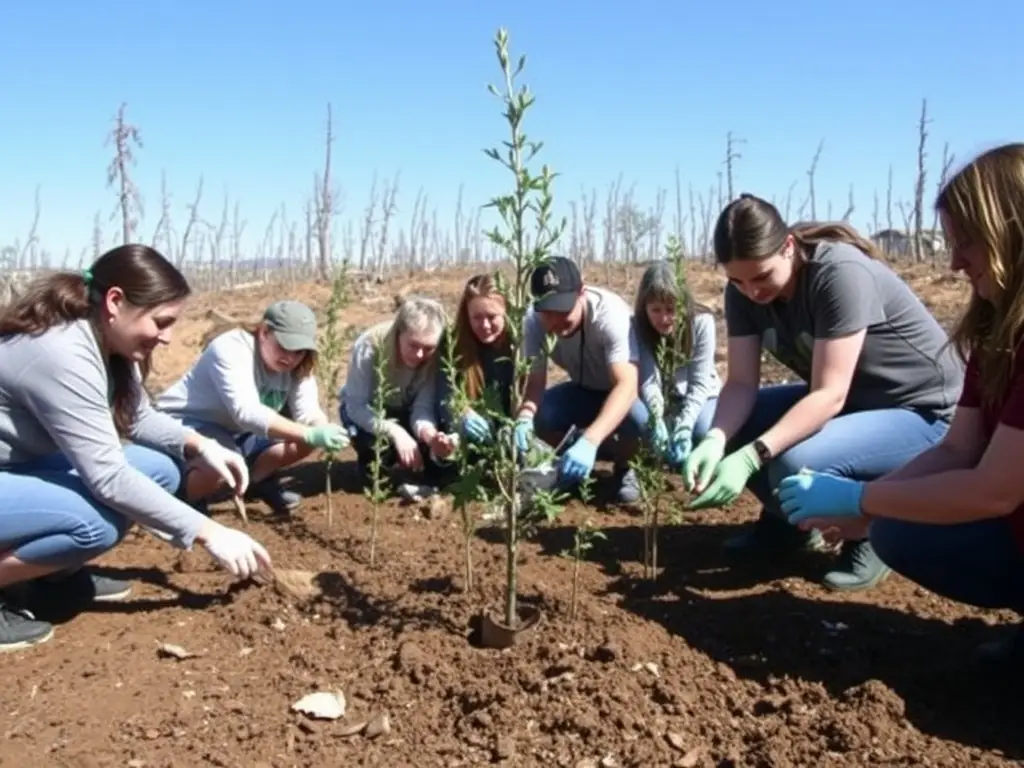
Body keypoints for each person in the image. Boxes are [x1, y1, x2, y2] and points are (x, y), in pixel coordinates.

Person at [776, 143, 1024, 663]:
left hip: (929, 426)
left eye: (968, 244)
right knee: (898, 530)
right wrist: (868, 503)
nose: (954, 262)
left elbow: (994, 491)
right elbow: (959, 450)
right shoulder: (998, 331)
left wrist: (861, 499)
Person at [682, 194, 964, 591]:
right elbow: (742, 384)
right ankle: (790, 525)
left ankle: (867, 534)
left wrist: (751, 456)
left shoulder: (837, 274)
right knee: (708, 421)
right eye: (737, 281)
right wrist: (715, 438)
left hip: (924, 410)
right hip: (854, 402)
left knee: (793, 459)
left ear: (789, 248)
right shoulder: (743, 292)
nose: (752, 292)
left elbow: (829, 394)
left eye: (762, 277)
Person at [0, 244, 272, 652]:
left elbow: (139, 418)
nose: (168, 338)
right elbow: (108, 477)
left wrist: (200, 445)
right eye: (161, 322)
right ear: (115, 302)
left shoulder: (106, 341)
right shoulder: (62, 352)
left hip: (20, 466)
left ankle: (52, 574)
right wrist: (209, 532)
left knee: (159, 469)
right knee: (94, 523)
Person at [155, 299, 348, 516]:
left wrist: (321, 428)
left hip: (236, 431)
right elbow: (246, 412)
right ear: (264, 331)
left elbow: (307, 411)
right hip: (189, 422)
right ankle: (186, 499)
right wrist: (310, 433)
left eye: (299, 351)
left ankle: (256, 481)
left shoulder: (299, 366)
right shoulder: (231, 347)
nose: (291, 357)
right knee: (222, 459)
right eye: (284, 347)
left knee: (302, 441)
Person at [514, 256, 648, 503]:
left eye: (563, 310)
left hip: (617, 392)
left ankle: (625, 468)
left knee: (640, 421)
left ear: (581, 293)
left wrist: (590, 439)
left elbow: (627, 385)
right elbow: (535, 383)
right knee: (544, 413)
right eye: (547, 312)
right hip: (582, 389)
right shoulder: (533, 323)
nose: (555, 321)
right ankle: (564, 470)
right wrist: (524, 416)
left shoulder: (611, 314)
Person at [339, 295, 454, 487]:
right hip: (368, 410)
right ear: (398, 332)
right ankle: (374, 458)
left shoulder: (436, 356)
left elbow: (423, 407)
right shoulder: (370, 346)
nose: (419, 355)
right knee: (377, 454)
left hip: (405, 408)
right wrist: (396, 432)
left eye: (428, 348)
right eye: (413, 345)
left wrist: (430, 435)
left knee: (437, 460)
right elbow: (356, 406)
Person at [634, 260, 721, 468]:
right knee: (641, 426)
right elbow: (649, 381)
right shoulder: (639, 327)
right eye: (655, 310)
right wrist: (656, 417)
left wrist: (685, 424)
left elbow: (699, 383)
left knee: (702, 429)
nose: (664, 319)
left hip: (700, 395)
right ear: (644, 307)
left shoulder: (701, 323)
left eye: (671, 309)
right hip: (661, 398)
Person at [435, 273, 515, 444]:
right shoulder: (451, 343)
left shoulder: (518, 343)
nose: (485, 325)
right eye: (477, 318)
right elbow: (445, 393)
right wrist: (462, 414)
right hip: (469, 435)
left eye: (492, 317)